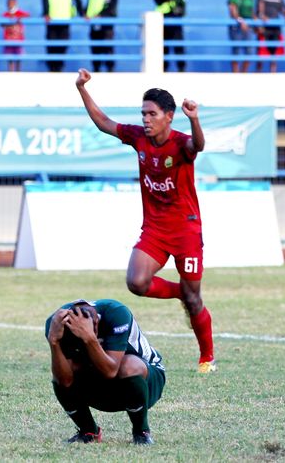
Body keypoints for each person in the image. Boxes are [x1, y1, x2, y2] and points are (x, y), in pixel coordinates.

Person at [75, 68, 215, 373]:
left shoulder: (180, 143)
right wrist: (82, 88)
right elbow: (103, 123)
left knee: (195, 303)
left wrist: (194, 119)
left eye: (151, 114)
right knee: (136, 282)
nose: (145, 119)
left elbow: (198, 146)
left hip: (186, 229)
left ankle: (207, 357)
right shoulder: (138, 137)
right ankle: (182, 291)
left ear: (168, 116)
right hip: (154, 228)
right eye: (143, 113)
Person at [46, 298, 165, 445]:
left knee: (128, 365)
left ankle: (141, 432)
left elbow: (111, 371)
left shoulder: (116, 313)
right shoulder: (57, 323)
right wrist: (54, 342)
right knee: (64, 369)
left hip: (146, 382)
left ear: (97, 321)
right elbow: (63, 380)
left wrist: (89, 338)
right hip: (100, 384)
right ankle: (88, 431)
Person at [42, 0, 83, 72]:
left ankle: (59, 69)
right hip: (52, 21)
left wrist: (83, 14)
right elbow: (44, 1)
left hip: (65, 20)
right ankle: (52, 69)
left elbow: (78, 1)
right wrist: (45, 13)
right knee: (51, 47)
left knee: (62, 46)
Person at [154, 0, 187, 72]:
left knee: (178, 44)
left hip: (175, 16)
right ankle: (163, 70)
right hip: (162, 16)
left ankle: (181, 70)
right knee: (162, 46)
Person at [85, 0, 118, 72]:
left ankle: (110, 71)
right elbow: (90, 2)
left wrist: (101, 15)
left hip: (106, 24)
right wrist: (86, 13)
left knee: (108, 48)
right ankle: (96, 71)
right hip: (94, 23)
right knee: (95, 49)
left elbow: (112, 5)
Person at [255, 0, 285, 73]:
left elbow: (282, 9)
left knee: (274, 56)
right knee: (261, 56)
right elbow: (260, 4)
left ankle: (273, 76)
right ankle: (258, 78)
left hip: (275, 28)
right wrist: (262, 16)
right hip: (264, 27)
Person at [227, 0, 254, 73]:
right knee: (236, 51)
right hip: (236, 28)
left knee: (249, 52)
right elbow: (233, 10)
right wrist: (241, 21)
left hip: (248, 28)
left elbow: (251, 11)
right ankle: (235, 74)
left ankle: (243, 74)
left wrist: (255, 19)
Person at [1, 0, 29, 72]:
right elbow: (1, 24)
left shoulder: (19, 13)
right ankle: (11, 72)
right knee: (10, 58)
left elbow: (28, 15)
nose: (11, 5)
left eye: (12, 3)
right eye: (9, 3)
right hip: (8, 40)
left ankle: (18, 72)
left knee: (18, 58)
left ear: (16, 3)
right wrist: (10, 22)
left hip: (18, 40)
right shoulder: (6, 14)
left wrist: (19, 18)